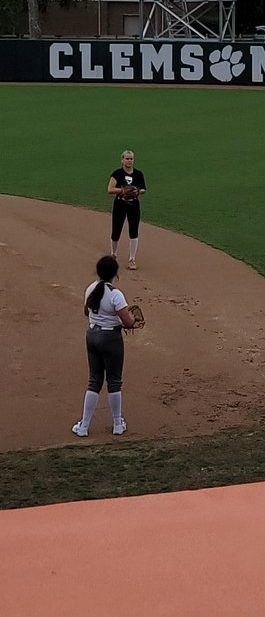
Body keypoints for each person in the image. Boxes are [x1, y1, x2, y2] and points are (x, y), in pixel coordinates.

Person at [72, 255, 139, 438]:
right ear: (115, 274)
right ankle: (118, 424)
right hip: (110, 338)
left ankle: (84, 426)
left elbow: (87, 311)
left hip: (92, 335)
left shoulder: (90, 289)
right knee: (114, 381)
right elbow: (127, 322)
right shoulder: (116, 295)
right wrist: (132, 321)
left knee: (94, 381)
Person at [108, 149, 147, 269]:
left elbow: (143, 189)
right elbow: (110, 189)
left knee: (134, 231)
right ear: (122, 160)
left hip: (133, 205)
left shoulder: (138, 174)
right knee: (116, 230)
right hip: (120, 204)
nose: (129, 161)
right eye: (127, 158)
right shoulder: (117, 174)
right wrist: (123, 191)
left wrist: (137, 192)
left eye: (131, 159)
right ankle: (113, 254)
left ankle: (132, 259)